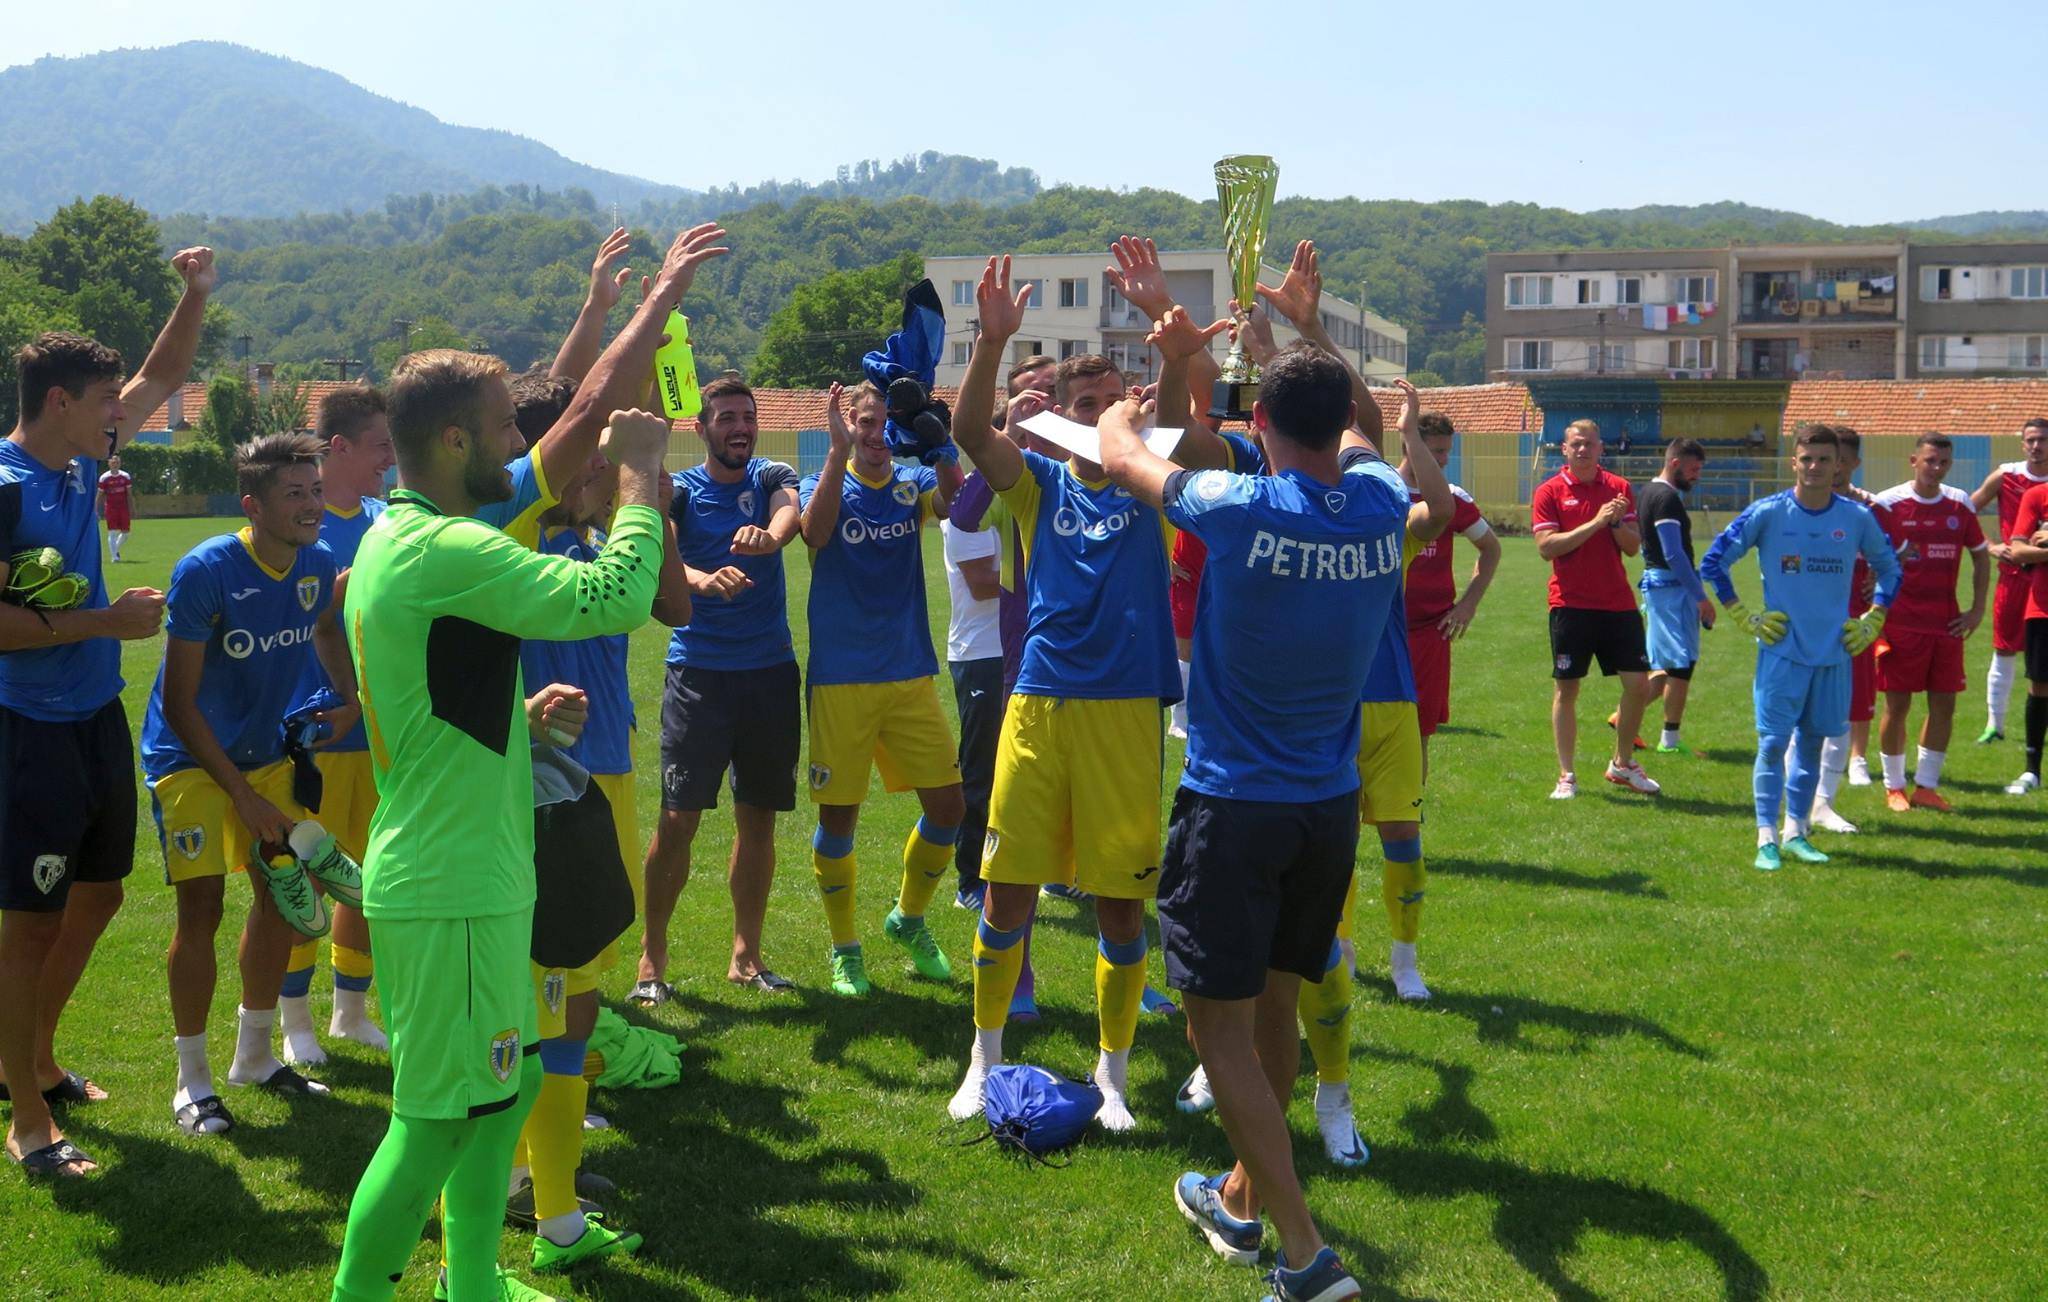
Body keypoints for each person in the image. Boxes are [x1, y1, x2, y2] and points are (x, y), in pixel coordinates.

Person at [332, 220, 725, 1302]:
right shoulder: (444, 549)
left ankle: (473, 1285)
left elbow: (584, 404)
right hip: (450, 886)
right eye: (504, 424)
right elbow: (611, 595)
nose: (524, 439)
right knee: (429, 1125)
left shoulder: (420, 528)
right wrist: (646, 483)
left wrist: (654, 303)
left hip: (480, 868)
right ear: (457, 441)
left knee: (498, 1099)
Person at [1098, 344, 1408, 1302]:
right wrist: (1303, 336)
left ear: (1261, 428)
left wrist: (1127, 402)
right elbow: (1366, 431)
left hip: (1234, 805)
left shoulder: (1237, 508)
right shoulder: (1382, 500)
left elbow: (1120, 455)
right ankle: (1238, 1198)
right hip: (1326, 811)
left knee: (1216, 1034)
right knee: (1276, 1011)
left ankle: (1307, 1255)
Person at [944, 248, 1239, 1133]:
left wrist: (1176, 351)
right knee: (1007, 894)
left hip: (1124, 714)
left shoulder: (1154, 485)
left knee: (1120, 901)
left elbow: (1190, 430)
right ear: (1060, 419)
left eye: (1121, 402)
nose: (1109, 416)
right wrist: (991, 346)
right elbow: (967, 436)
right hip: (1038, 701)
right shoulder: (1034, 481)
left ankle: (1111, 1076)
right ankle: (983, 1059)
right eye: (1091, 406)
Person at [0, 246, 210, 1179]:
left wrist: (192, 295)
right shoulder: (5, 488)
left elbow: (164, 373)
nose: (120, 412)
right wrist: (105, 622)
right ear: (57, 403)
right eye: (103, 401)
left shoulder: (88, 456)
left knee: (99, 894)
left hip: (93, 715)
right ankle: (28, 1123)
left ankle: (33, 1061)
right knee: (29, 922)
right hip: (24, 726)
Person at [143, 434, 360, 1135]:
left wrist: (346, 692)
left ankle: (256, 1058)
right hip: (190, 756)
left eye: (316, 491)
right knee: (201, 909)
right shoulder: (206, 569)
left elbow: (326, 623)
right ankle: (192, 1081)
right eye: (294, 494)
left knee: (279, 894)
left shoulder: (319, 561)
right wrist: (242, 794)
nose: (311, 505)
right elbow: (180, 703)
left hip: (267, 752)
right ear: (253, 505)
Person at [512, 449, 651, 1272]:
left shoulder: (597, 541)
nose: (605, 478)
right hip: (549, 778)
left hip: (610, 765)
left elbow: (664, 599)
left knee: (583, 986)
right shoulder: (520, 549)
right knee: (545, 992)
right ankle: (533, 1186)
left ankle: (546, 1177)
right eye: (591, 466)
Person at [797, 379, 966, 996]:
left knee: (949, 807)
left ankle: (909, 918)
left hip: (908, 673)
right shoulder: (829, 479)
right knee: (840, 818)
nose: (873, 433)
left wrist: (943, 448)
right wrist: (836, 452)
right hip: (842, 678)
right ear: (850, 425)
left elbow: (960, 506)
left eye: (881, 423)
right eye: (863, 422)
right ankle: (845, 948)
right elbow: (814, 536)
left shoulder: (911, 482)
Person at [638, 377, 804, 1001]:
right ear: (701, 428)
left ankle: (747, 956)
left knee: (757, 819)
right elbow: (662, 558)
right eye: (727, 417)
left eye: (748, 416)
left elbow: (790, 509)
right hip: (699, 675)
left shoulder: (768, 476)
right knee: (678, 821)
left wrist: (772, 535)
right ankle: (652, 962)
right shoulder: (679, 492)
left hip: (769, 673)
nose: (740, 427)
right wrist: (701, 581)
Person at [1700, 427, 1900, 872]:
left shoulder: (1856, 518)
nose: (1814, 467)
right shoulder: (1768, 513)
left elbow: (1891, 569)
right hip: (1782, 650)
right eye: (1806, 458)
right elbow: (1714, 562)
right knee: (1772, 744)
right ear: (1794, 462)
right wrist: (1742, 614)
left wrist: (1875, 618)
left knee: (1812, 742)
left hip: (1834, 652)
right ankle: (1765, 837)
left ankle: (1796, 832)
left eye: (1824, 460)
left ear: (1839, 466)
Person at [280, 383, 396, 1069]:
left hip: (379, 733)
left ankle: (351, 1010)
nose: (390, 457)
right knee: (306, 881)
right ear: (340, 448)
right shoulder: (297, 521)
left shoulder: (388, 519)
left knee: (370, 878)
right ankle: (294, 1021)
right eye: (381, 445)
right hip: (312, 734)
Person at [1532, 419, 1661, 799]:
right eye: (1576, 444)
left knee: (1638, 685)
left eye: (1589, 443)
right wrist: (1597, 521)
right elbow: (1547, 547)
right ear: (1564, 449)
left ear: (1601, 448)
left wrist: (1616, 520)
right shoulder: (1549, 491)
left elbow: (1633, 546)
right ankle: (1567, 775)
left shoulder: (1619, 489)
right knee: (1567, 689)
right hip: (1571, 604)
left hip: (1617, 604)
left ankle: (1622, 764)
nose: (1583, 450)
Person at [1872, 434, 1990, 812]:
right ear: (1913, 461)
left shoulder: (1959, 504)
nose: (1936, 468)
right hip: (1901, 623)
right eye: (1930, 461)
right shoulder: (1888, 503)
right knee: (1897, 706)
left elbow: (1982, 556)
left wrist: (1975, 610)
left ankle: (1926, 786)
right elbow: (1866, 553)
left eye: (1943, 462)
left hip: (1946, 624)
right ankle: (1894, 787)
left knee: (1944, 706)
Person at [1404, 412, 1501, 761]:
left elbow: (1491, 548)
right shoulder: (1381, 488)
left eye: (1447, 452)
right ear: (1410, 445)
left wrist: (1468, 604)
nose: (1444, 460)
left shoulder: (1453, 497)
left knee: (1419, 734)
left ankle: (1412, 813)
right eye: (1436, 452)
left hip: (1431, 632)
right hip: (1381, 630)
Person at [941, 485, 1004, 914]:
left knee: (1039, 767)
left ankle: (1054, 872)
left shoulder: (1029, 493)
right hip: (980, 654)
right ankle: (970, 879)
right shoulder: (970, 501)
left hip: (1022, 648)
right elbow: (981, 585)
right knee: (981, 770)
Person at [1968, 418, 2048, 743]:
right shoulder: (2007, 475)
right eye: (2030, 440)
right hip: (2014, 576)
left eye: (2042, 440)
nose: (2036, 446)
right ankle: (1994, 724)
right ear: (2022, 443)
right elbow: (1966, 510)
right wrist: (1990, 546)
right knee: (2003, 649)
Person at [1637, 438, 1712, 754]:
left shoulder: (1648, 493)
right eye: (1693, 469)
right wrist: (1701, 597)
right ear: (1675, 463)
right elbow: (1674, 554)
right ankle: (1669, 740)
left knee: (1671, 663)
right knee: (1680, 663)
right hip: (1671, 589)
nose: (1697, 476)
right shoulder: (1666, 499)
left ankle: (1625, 717)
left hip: (1661, 587)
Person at [1999, 480, 2048, 795]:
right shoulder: (2036, 495)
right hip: (2043, 608)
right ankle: (2032, 771)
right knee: (2040, 686)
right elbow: (2017, 551)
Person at [96, 453, 132, 562]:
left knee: (126, 533)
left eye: (117, 462)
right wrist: (95, 509)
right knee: (112, 532)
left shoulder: (125, 476)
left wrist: (133, 508)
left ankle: (115, 549)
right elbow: (99, 495)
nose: (115, 464)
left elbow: (130, 494)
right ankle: (114, 557)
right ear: (109, 463)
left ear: (120, 463)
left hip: (123, 508)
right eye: (113, 462)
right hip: (111, 508)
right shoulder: (104, 478)